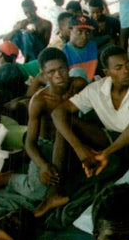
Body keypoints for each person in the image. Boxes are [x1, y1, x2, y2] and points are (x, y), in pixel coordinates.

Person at [52, 46, 129, 191]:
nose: (126, 71)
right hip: (109, 138)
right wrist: (79, 149)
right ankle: (54, 193)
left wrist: (106, 153)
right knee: (66, 123)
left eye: (128, 64)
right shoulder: (95, 89)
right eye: (118, 68)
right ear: (107, 73)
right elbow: (58, 112)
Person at [25, 47, 89, 218]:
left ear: (68, 67)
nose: (58, 75)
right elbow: (29, 142)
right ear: (44, 76)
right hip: (48, 146)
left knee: (64, 121)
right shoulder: (39, 101)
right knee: (37, 192)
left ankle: (53, 194)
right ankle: (10, 179)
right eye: (51, 72)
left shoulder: (78, 85)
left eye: (61, 69)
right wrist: (42, 166)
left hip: (74, 142)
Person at [63, 15, 99, 81]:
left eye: (87, 32)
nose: (84, 37)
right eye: (79, 32)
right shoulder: (63, 53)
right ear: (69, 32)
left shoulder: (92, 46)